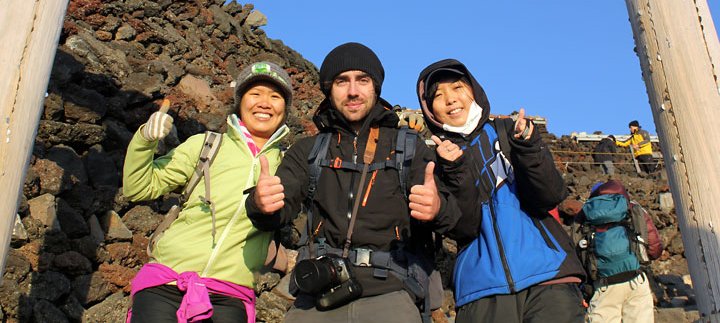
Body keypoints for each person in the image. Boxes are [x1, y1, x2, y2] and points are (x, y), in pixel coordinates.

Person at [246, 42, 460, 323]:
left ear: (376, 87)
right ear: (328, 89)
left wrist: (437, 208)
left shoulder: (410, 149)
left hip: (392, 295)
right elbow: (279, 209)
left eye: (363, 80)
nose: (353, 91)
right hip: (316, 297)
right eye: (341, 81)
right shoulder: (308, 150)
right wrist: (261, 204)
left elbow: (453, 218)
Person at [416, 59, 586, 323]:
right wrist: (454, 170)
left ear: (474, 91)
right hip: (480, 293)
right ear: (429, 111)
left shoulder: (509, 132)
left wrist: (529, 147)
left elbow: (548, 196)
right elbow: (465, 228)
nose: (450, 99)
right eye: (438, 95)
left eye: (458, 87)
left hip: (549, 278)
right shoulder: (434, 163)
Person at [123, 61, 293, 323]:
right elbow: (139, 187)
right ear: (240, 101)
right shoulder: (206, 145)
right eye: (255, 94)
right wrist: (145, 140)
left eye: (275, 96)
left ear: (285, 108)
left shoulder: (290, 167)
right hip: (165, 282)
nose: (264, 103)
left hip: (230, 293)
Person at [574, 180, 663, 322]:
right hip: (636, 279)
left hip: (603, 284)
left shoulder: (584, 215)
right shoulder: (633, 208)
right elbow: (655, 248)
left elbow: (576, 254)